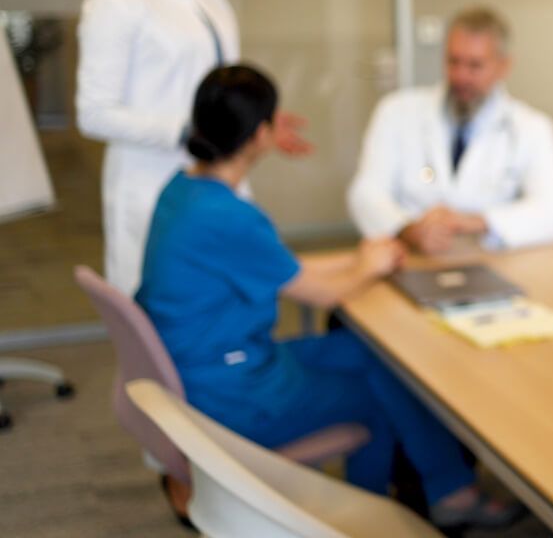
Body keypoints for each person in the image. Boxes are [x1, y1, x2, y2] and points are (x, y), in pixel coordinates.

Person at [137, 64, 521, 531]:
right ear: (261, 135)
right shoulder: (229, 216)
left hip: (207, 368)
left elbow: (282, 271)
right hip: (233, 393)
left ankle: (450, 490)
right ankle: (366, 523)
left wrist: (360, 258)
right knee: (378, 398)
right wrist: (367, 268)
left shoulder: (182, 192)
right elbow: (319, 295)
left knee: (370, 355)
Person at [76, 0, 308, 295]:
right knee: (163, 320)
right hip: (153, 185)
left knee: (226, 306)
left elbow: (221, 81)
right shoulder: (114, 2)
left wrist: (253, 123)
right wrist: (190, 131)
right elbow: (94, 113)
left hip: (221, 185)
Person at [348, 6, 553, 254]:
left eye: (475, 66)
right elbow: (365, 195)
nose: (460, 76)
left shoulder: (532, 127)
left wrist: (475, 222)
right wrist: (408, 229)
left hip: (491, 262)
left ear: (504, 66)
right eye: (453, 61)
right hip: (410, 258)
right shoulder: (396, 112)